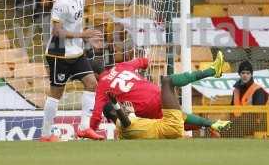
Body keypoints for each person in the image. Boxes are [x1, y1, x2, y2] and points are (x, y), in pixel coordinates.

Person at [90, 51, 231, 136]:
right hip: (156, 93)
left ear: (94, 74)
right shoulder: (121, 66)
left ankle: (211, 124)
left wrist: (91, 130)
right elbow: (144, 61)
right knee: (176, 117)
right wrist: (144, 66)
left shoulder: (102, 86)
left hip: (144, 108)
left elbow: (97, 114)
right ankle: (211, 123)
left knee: (173, 121)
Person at [40, 0, 104, 142]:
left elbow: (74, 26)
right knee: (56, 94)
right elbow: (57, 32)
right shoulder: (61, 3)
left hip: (76, 52)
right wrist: (82, 35)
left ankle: (84, 128)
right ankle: (46, 134)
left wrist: (86, 39)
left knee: (92, 83)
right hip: (58, 54)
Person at [104, 74, 230, 140]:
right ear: (114, 112)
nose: (123, 106)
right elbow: (125, 122)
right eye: (120, 105)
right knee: (167, 81)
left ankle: (211, 126)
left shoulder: (122, 133)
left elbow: (130, 125)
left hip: (169, 131)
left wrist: (130, 112)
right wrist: (116, 104)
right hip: (169, 125)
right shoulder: (122, 123)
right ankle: (211, 71)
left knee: (184, 117)